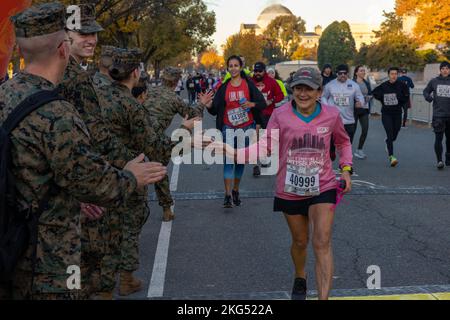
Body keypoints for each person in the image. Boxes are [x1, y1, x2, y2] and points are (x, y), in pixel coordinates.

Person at [0, 3, 166, 300]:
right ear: (64, 48)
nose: (90, 39)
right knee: (80, 283)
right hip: (49, 247)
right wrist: (130, 177)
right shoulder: (57, 110)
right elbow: (88, 178)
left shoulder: (6, 94)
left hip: (12, 235)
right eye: (78, 34)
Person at [219, 67, 353, 300]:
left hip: (323, 185)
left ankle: (323, 298)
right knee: (300, 241)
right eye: (298, 88)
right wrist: (230, 152)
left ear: (319, 91)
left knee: (322, 241)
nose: (303, 93)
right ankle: (300, 276)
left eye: (308, 89)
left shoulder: (332, 115)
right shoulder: (280, 115)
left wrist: (346, 169)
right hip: (289, 188)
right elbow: (265, 147)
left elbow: (343, 143)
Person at [59, 3, 139, 298]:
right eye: (82, 32)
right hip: (73, 192)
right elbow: (91, 137)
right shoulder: (67, 76)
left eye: (93, 32)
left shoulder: (80, 72)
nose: (91, 39)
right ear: (64, 35)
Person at [144, 67, 212, 221]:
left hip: (137, 133)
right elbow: (194, 116)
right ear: (176, 82)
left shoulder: (149, 91)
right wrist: (202, 103)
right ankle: (167, 209)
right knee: (159, 170)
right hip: (155, 140)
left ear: (162, 79)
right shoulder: (174, 99)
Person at [206, 55, 266, 208]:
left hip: (246, 128)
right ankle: (227, 196)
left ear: (241, 67)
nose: (233, 68)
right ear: (228, 68)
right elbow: (214, 110)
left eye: (235, 65)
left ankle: (235, 190)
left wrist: (251, 104)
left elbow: (262, 103)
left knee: (240, 161)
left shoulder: (248, 84)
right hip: (228, 128)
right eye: (230, 66)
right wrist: (207, 104)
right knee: (228, 161)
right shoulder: (224, 87)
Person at [251, 62, 284, 176]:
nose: (257, 73)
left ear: (264, 71)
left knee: (266, 139)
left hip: (268, 114)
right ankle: (255, 165)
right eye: (256, 71)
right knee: (255, 138)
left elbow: (281, 95)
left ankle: (264, 158)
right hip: (253, 114)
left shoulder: (271, 82)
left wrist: (272, 100)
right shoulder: (250, 82)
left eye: (260, 71)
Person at [372, 67, 409, 167]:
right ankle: (391, 157)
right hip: (386, 113)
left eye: (395, 74)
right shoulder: (384, 86)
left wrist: (399, 99)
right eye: (392, 74)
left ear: (397, 75)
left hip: (397, 113)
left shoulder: (402, 85)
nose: (393, 76)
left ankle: (388, 141)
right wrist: (382, 99)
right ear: (388, 75)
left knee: (395, 133)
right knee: (389, 133)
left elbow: (406, 96)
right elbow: (375, 92)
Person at [321, 64, 365, 143]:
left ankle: (345, 155)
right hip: (334, 120)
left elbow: (360, 97)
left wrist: (360, 102)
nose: (343, 75)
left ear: (347, 73)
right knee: (331, 145)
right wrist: (327, 107)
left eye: (345, 73)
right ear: (336, 74)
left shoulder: (354, 85)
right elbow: (323, 97)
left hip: (349, 120)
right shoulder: (330, 85)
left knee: (347, 144)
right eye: (340, 73)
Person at [423, 61, 450, 169]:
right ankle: (439, 160)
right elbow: (425, 91)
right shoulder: (434, 81)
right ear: (440, 70)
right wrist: (428, 97)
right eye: (443, 68)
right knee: (438, 138)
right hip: (438, 115)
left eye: (447, 68)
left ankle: (448, 157)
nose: (445, 70)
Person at [353, 66, 373, 160]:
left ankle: (359, 150)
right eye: (361, 71)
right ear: (356, 73)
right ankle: (346, 151)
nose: (363, 72)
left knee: (365, 130)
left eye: (364, 71)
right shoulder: (351, 83)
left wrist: (369, 97)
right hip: (353, 110)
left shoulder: (366, 83)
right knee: (351, 131)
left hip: (364, 109)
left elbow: (370, 94)